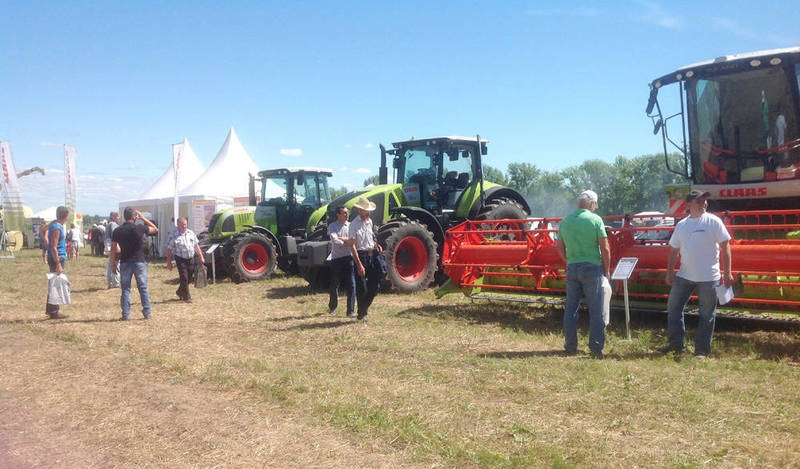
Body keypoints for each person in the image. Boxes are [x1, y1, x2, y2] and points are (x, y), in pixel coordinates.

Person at [664, 189, 733, 357]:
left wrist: (727, 273)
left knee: (707, 314)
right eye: (700, 201)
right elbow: (673, 251)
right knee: (673, 308)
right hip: (684, 275)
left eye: (705, 201)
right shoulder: (682, 225)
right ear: (689, 204)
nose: (704, 203)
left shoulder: (714, 221)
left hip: (709, 277)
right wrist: (670, 272)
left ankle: (701, 351)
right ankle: (676, 346)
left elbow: (725, 246)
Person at [556, 190, 611, 358]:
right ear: (592, 204)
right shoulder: (595, 220)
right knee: (596, 310)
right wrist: (607, 270)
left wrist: (569, 261)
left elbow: (559, 247)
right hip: (592, 268)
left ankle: (570, 345)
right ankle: (596, 348)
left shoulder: (565, 221)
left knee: (571, 309)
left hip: (572, 268)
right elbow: (605, 248)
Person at [111, 208, 158, 320]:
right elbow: (155, 229)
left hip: (125, 261)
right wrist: (142, 217)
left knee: (125, 289)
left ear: (124, 216)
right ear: (134, 216)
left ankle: (126, 314)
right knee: (142, 288)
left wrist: (113, 263)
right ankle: (147, 313)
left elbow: (113, 248)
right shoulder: (139, 228)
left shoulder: (118, 230)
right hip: (139, 261)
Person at [349, 197, 385, 322]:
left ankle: (363, 310)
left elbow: (370, 237)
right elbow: (352, 246)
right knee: (362, 287)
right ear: (360, 210)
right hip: (361, 256)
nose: (368, 212)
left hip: (373, 254)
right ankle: (362, 313)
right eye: (366, 210)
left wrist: (376, 244)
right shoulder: (353, 225)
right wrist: (359, 265)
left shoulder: (369, 221)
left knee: (375, 284)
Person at [166, 216, 205, 303]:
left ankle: (180, 292)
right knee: (184, 277)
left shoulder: (190, 233)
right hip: (180, 259)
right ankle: (187, 297)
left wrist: (201, 256)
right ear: (178, 225)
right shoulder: (173, 235)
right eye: (183, 224)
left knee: (189, 278)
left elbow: (196, 245)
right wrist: (169, 262)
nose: (184, 226)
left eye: (186, 224)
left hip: (191, 258)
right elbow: (169, 249)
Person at [327, 206, 356, 317]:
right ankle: (332, 307)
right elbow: (335, 240)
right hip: (337, 259)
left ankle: (351, 311)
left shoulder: (351, 226)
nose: (347, 214)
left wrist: (344, 240)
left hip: (349, 258)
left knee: (352, 284)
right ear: (338, 215)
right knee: (335, 284)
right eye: (344, 213)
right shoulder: (333, 226)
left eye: (347, 213)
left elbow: (354, 239)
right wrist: (347, 242)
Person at [45, 206, 70, 319]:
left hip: (55, 257)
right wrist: (58, 263)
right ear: (65, 216)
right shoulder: (57, 227)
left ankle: (50, 309)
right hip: (57, 258)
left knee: (54, 283)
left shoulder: (53, 224)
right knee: (56, 284)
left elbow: (42, 230)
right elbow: (54, 247)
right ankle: (54, 311)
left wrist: (46, 241)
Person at [105, 211, 121, 288]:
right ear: (114, 217)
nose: (119, 219)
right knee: (116, 264)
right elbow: (115, 235)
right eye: (118, 217)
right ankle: (116, 283)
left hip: (108, 247)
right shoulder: (114, 225)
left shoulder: (109, 224)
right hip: (113, 247)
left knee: (110, 264)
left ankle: (110, 283)